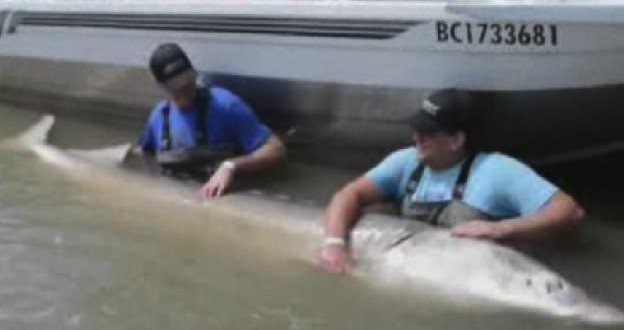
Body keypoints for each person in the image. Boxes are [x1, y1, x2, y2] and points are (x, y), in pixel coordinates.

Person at [318, 89, 585, 274]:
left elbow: (570, 212)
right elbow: (349, 195)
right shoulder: (406, 161)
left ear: (457, 140)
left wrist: (499, 229)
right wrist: (334, 245)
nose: (417, 138)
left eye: (429, 133)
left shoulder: (496, 170)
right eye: (417, 129)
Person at [136, 43, 285, 198]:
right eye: (176, 86)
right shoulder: (158, 116)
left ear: (194, 73)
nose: (184, 89)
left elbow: (276, 149)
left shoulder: (225, 105)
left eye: (187, 80)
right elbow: (143, 153)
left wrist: (231, 166)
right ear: (161, 86)